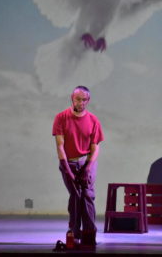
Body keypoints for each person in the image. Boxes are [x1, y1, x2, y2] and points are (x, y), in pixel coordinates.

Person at [52, 86, 104, 247]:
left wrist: (87, 168)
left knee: (87, 195)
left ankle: (89, 233)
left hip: (86, 161)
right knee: (75, 195)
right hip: (69, 162)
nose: (80, 102)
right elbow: (60, 146)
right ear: (72, 98)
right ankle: (73, 233)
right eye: (77, 99)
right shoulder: (61, 118)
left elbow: (95, 148)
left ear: (88, 101)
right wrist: (67, 170)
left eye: (84, 99)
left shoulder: (93, 120)